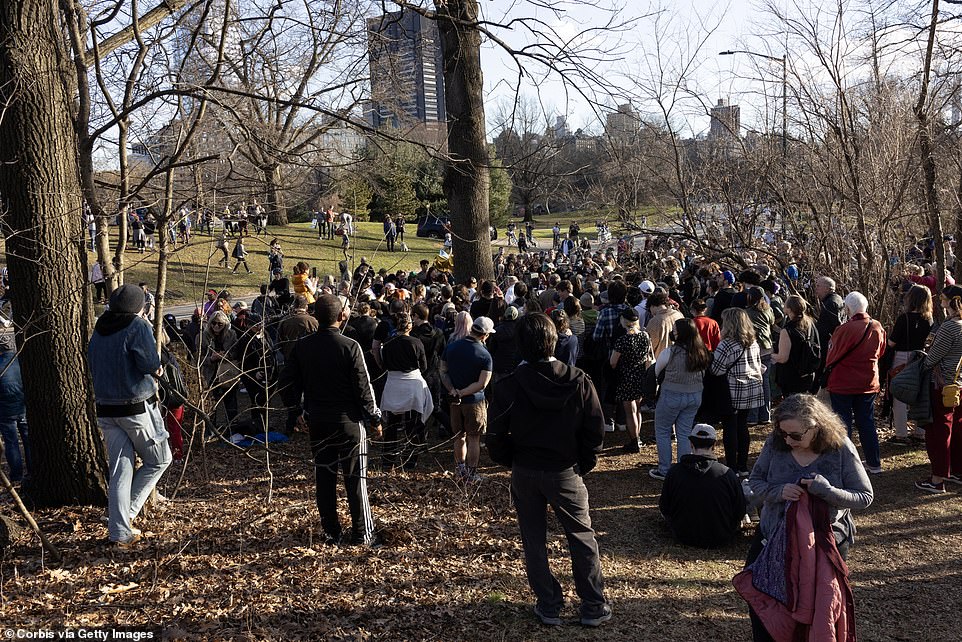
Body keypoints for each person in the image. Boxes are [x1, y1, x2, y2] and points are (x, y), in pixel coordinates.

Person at [485, 312, 611, 628]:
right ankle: (590, 604)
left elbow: (495, 435)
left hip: (535, 469)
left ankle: (552, 603)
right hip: (556, 469)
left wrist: (513, 459)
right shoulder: (576, 379)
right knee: (581, 537)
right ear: (553, 340)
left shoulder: (513, 385)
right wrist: (582, 461)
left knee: (535, 539)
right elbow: (595, 429)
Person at [746, 394, 873, 641]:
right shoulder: (775, 443)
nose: (788, 440)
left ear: (816, 427)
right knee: (764, 604)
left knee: (815, 610)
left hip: (823, 545)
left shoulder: (839, 447)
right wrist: (777, 492)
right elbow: (755, 482)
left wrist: (827, 491)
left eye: (795, 435)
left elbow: (864, 496)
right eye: (783, 433)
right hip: (773, 539)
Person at [279, 294, 381, 545]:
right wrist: (374, 417)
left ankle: (331, 531)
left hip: (318, 421)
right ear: (342, 316)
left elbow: (286, 381)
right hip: (349, 422)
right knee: (356, 479)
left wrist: (295, 411)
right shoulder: (350, 346)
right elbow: (363, 387)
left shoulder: (304, 346)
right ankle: (362, 534)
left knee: (324, 478)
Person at [88, 285, 172, 547]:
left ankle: (119, 529)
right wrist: (157, 369)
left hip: (106, 408)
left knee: (120, 471)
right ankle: (124, 518)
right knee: (160, 459)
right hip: (134, 406)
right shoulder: (137, 326)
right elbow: (149, 363)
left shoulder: (100, 328)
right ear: (138, 306)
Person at [825, 291, 886, 474]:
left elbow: (831, 356)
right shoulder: (877, 326)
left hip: (843, 383)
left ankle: (846, 463)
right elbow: (881, 352)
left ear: (848, 308)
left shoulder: (843, 329)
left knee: (843, 424)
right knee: (866, 423)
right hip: (868, 382)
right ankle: (874, 463)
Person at [659, 424, 746, 548]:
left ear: (691, 444)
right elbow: (740, 510)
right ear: (714, 445)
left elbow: (664, 507)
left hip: (683, 535)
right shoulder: (727, 474)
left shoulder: (674, 472)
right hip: (721, 536)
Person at [650, 318, 711, 480]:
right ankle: (685, 467)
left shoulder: (670, 352)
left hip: (671, 395)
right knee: (684, 433)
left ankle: (664, 469)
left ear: (680, 334)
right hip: (695, 396)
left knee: (663, 431)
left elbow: (656, 372)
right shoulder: (702, 352)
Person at [917, 284, 962, 493]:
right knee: (957, 429)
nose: (941, 301)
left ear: (953, 301)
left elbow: (933, 357)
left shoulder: (951, 326)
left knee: (939, 432)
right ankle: (956, 470)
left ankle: (937, 479)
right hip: (958, 384)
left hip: (943, 384)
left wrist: (923, 363)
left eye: (943, 298)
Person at [710, 308, 764, 476]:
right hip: (752, 387)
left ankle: (732, 465)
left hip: (734, 389)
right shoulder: (753, 341)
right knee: (742, 425)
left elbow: (716, 370)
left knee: (730, 427)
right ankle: (743, 465)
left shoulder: (726, 344)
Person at [441, 316, 494, 482]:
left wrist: (453, 390)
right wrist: (463, 392)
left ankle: (460, 470)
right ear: (485, 335)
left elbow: (443, 370)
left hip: (454, 399)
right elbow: (482, 383)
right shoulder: (485, 355)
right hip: (474, 401)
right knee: (474, 437)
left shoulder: (451, 347)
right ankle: (471, 473)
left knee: (459, 436)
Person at [379, 312, 432, 469]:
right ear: (409, 325)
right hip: (411, 385)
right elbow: (424, 365)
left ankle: (388, 460)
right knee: (412, 425)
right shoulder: (416, 342)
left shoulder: (387, 343)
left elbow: (383, 363)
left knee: (391, 425)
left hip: (394, 384)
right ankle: (410, 460)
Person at [887, 285, 933, 445]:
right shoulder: (929, 320)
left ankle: (901, 434)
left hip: (902, 358)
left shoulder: (904, 318)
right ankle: (920, 432)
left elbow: (892, 343)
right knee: (919, 394)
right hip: (921, 358)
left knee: (900, 394)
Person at [609, 308, 652, 453]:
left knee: (630, 411)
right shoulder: (645, 336)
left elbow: (613, 362)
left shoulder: (623, 340)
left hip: (626, 376)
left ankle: (634, 441)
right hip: (640, 375)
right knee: (638, 408)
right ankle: (638, 437)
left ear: (624, 321)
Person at [0, 293, 28, 483]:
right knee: (27, 437)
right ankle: (33, 470)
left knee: (11, 441)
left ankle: (17, 475)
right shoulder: (22, 362)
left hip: (5, 408)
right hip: (23, 404)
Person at [772, 295, 821, 396]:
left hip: (792, 377)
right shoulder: (810, 323)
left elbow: (783, 358)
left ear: (789, 309)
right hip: (808, 374)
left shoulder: (787, 330)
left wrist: (770, 355)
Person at [745, 287, 775, 425]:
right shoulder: (769, 310)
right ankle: (765, 415)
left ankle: (752, 416)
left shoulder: (747, 313)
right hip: (768, 348)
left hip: (754, 349)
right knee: (765, 383)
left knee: (753, 382)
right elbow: (773, 322)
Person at [813, 276, 845, 392]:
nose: (816, 289)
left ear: (827, 289)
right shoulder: (835, 299)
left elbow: (837, 327)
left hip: (828, 346)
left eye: (818, 286)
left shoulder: (830, 303)